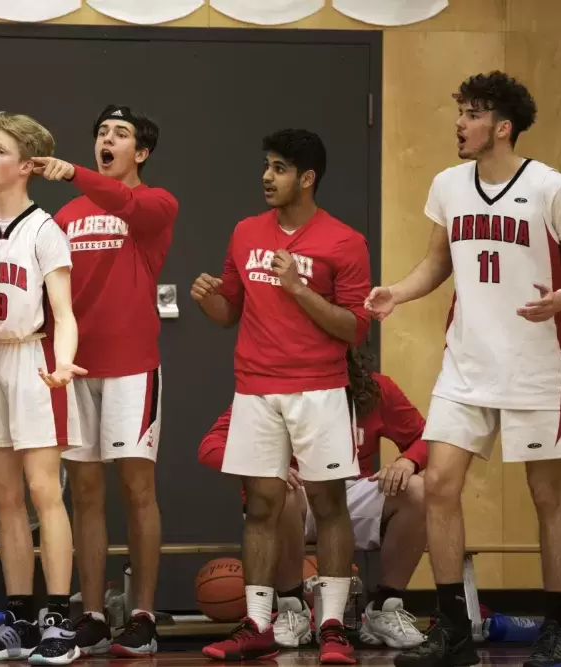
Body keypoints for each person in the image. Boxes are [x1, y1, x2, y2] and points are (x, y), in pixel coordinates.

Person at [365, 71, 561, 667]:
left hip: (539, 367)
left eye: (472, 113)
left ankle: (556, 625)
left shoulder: (550, 187)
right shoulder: (449, 185)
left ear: (501, 128)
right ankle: (453, 628)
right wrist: (397, 293)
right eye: (460, 111)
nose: (459, 122)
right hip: (466, 364)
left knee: (547, 497)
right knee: (440, 487)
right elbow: (436, 263)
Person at [191, 128, 371, 664]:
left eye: (279, 168)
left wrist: (299, 288)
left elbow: (354, 329)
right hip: (255, 389)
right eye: (266, 166)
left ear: (307, 178)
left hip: (319, 388)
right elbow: (230, 312)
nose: (266, 177)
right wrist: (210, 303)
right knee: (262, 506)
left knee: (328, 502)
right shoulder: (246, 232)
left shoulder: (345, 241)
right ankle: (257, 624)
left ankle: (334, 625)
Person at [31, 104, 178, 657]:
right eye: (101, 133)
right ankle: (90, 613)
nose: (107, 140)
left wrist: (71, 171)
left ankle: (142, 614)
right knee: (84, 494)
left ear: (140, 152)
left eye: (120, 134)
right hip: (74, 366)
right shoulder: (65, 217)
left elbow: (119, 199)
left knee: (138, 489)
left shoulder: (156, 204)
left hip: (133, 367)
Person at [0, 112, 82, 666]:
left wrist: (64, 361)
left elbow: (65, 313)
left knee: (43, 491)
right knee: (3, 497)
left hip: (33, 360)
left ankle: (58, 617)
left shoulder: (45, 229)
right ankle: (21, 617)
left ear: (26, 165)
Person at [198, 347, 427, 650]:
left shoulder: (376, 388)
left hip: (350, 492)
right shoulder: (269, 390)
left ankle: (385, 609)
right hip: (296, 497)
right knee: (281, 490)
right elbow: (211, 445)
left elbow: (427, 437)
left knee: (418, 489)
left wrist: (408, 461)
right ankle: (292, 609)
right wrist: (268, 467)